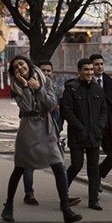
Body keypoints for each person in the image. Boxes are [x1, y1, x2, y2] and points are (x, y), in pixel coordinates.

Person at [1, 55, 81, 223]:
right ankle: (8, 206)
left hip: (47, 128)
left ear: (28, 64)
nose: (20, 68)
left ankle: (66, 209)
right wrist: (27, 88)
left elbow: (51, 104)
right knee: (20, 168)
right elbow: (28, 107)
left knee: (59, 166)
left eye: (21, 64)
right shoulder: (16, 87)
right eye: (16, 67)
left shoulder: (44, 80)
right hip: (29, 129)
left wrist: (38, 88)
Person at [21, 60, 78, 207]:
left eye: (48, 70)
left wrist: (58, 130)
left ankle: (64, 198)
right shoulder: (28, 88)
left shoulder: (57, 90)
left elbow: (60, 110)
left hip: (52, 132)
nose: (46, 73)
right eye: (43, 70)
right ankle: (29, 194)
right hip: (33, 133)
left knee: (59, 165)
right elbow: (24, 112)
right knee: (28, 165)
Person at [61, 58, 107, 211]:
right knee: (76, 165)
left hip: (94, 135)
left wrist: (100, 127)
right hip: (77, 135)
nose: (89, 72)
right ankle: (63, 192)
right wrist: (79, 128)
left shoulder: (98, 89)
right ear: (79, 71)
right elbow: (67, 111)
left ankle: (93, 200)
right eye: (86, 70)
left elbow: (103, 110)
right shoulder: (71, 88)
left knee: (94, 169)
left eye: (91, 70)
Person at [89, 53, 112, 184]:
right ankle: (94, 184)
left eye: (101, 64)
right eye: (96, 64)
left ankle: (97, 176)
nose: (99, 67)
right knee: (92, 158)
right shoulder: (87, 82)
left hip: (108, 125)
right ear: (91, 66)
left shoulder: (108, 82)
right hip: (93, 126)